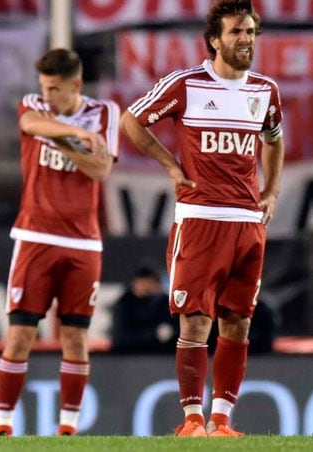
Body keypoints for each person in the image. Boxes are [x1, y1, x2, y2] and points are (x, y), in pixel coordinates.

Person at [119, 0, 285, 437]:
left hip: (248, 222)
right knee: (195, 321)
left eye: (250, 31)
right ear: (214, 39)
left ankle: (222, 420)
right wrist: (172, 167)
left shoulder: (264, 90)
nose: (245, 39)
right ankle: (192, 418)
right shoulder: (186, 84)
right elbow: (132, 120)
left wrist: (271, 190)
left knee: (239, 321)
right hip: (200, 219)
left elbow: (273, 137)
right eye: (236, 32)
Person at [0, 48, 119, 437]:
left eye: (55, 89)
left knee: (76, 336)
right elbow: (31, 124)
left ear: (76, 85)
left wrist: (63, 138)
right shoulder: (35, 104)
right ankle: (3, 426)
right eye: (44, 87)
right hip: (35, 235)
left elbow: (100, 171)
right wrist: (78, 136)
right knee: (20, 335)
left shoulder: (105, 112)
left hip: (84, 243)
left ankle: (68, 428)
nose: (47, 97)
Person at [110, 264, 178, 354]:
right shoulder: (125, 303)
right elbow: (120, 337)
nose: (146, 287)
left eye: (150, 283)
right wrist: (153, 334)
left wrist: (171, 333)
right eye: (142, 283)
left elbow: (178, 332)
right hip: (129, 358)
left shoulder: (166, 303)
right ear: (134, 283)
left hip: (161, 357)